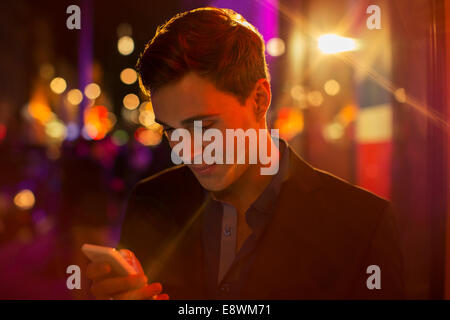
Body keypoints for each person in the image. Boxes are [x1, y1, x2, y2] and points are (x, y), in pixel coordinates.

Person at [86, 7, 404, 299]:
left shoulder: (361, 226)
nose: (187, 150)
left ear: (259, 99)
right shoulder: (151, 201)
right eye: (171, 130)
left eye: (202, 126)